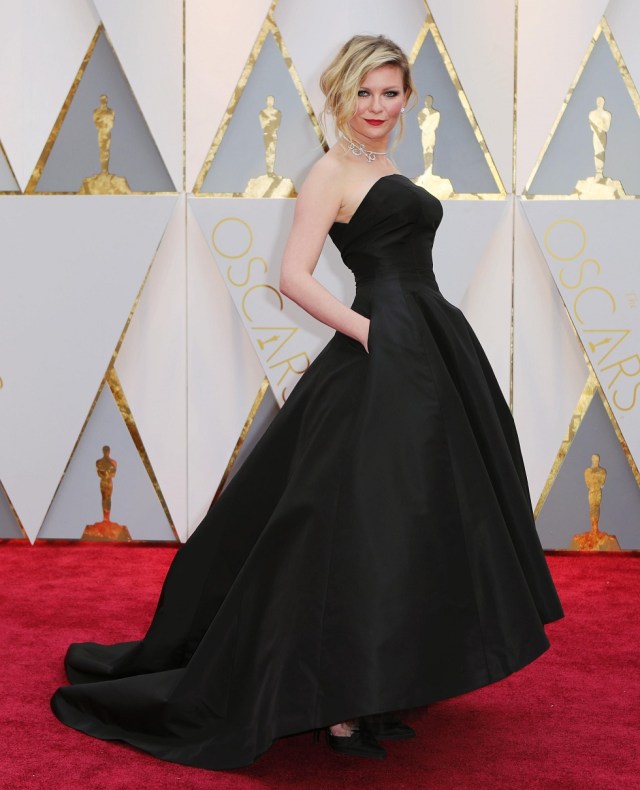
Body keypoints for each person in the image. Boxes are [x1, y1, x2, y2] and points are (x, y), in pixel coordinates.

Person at [51, 35, 563, 770]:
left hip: (431, 341)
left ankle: (382, 684)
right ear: (341, 96)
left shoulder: (384, 167)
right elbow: (293, 275)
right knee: (356, 526)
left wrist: (406, 335)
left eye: (390, 93)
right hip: (384, 346)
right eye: (364, 93)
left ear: (408, 98)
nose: (378, 107)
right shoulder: (329, 171)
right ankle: (343, 706)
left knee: (414, 521)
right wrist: (370, 333)